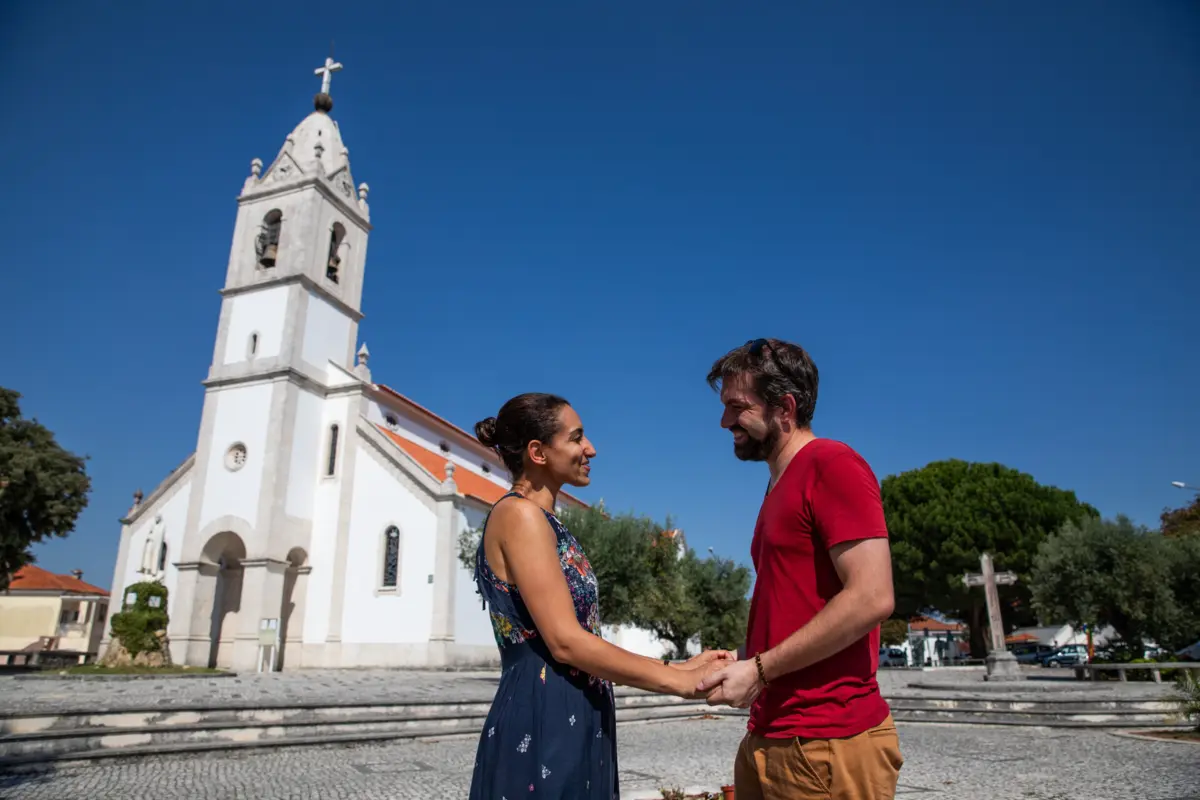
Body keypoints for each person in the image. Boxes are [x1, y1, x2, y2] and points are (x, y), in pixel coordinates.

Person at [469, 392, 732, 800]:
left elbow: (579, 636)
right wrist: (678, 684)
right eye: (576, 438)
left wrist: (681, 666)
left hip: (569, 708)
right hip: (544, 715)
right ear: (538, 452)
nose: (590, 448)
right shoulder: (520, 516)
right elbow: (565, 641)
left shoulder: (543, 521)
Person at [697, 339, 903, 800]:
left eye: (737, 407)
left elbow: (872, 596)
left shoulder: (832, 464)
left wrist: (762, 669)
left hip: (828, 742)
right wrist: (745, 660)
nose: (725, 421)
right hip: (775, 734)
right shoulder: (779, 484)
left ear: (785, 407)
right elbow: (792, 600)